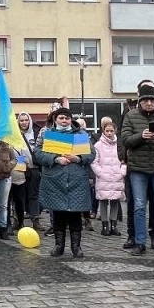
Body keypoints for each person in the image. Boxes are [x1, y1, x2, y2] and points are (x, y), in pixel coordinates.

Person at [117, 81, 154, 256]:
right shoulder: (131, 115)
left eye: (152, 100)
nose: (149, 103)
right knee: (138, 207)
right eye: (145, 100)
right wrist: (141, 136)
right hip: (138, 168)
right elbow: (126, 139)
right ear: (140, 101)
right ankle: (139, 242)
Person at [39, 107, 94, 258]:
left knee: (75, 214)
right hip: (56, 180)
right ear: (56, 119)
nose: (64, 121)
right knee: (58, 214)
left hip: (76, 181)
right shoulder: (47, 134)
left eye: (67, 118)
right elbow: (38, 154)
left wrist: (78, 158)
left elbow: (92, 154)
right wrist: (55, 159)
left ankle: (76, 247)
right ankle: (59, 246)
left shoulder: (81, 134)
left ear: (71, 120)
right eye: (61, 118)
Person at [89, 123, 125, 237]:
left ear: (115, 131)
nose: (109, 133)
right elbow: (94, 161)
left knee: (115, 201)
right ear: (103, 131)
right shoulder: (98, 145)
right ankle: (105, 225)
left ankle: (114, 225)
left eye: (111, 131)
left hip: (117, 177)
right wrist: (100, 173)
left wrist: (122, 172)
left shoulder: (120, 144)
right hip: (103, 177)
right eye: (107, 131)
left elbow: (124, 159)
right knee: (103, 201)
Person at [9, 111, 40, 232]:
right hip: (20, 169)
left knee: (34, 196)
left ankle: (35, 219)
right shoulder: (15, 135)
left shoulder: (36, 133)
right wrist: (22, 162)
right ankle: (18, 220)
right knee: (18, 197)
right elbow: (15, 152)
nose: (24, 123)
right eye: (21, 120)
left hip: (35, 168)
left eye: (26, 120)